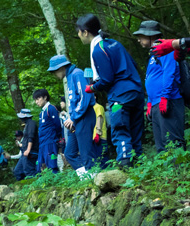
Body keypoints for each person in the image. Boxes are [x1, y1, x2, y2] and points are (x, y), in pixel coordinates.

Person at [77, 14, 144, 167]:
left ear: (85, 32)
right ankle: (140, 168)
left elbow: (107, 79)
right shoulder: (114, 43)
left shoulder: (98, 50)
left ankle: (125, 169)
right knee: (136, 133)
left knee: (120, 131)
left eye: (79, 32)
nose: (79, 35)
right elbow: (132, 64)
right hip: (136, 93)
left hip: (120, 98)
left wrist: (92, 88)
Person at [134, 21, 186, 152]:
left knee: (173, 143)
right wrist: (150, 103)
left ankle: (179, 172)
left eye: (141, 36)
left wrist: (164, 97)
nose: (139, 39)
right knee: (162, 146)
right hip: (157, 103)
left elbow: (170, 72)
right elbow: (152, 77)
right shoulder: (153, 54)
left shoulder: (165, 48)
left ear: (150, 35)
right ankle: (168, 173)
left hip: (169, 101)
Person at [48, 55, 99, 175]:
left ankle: (95, 178)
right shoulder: (70, 77)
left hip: (85, 116)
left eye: (54, 71)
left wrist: (73, 117)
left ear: (60, 68)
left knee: (85, 151)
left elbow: (84, 97)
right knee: (69, 153)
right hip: (77, 119)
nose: (54, 75)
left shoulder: (77, 74)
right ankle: (86, 177)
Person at [33, 89, 63, 174]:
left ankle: (57, 184)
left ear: (45, 97)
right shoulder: (41, 112)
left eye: (38, 99)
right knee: (40, 165)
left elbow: (57, 125)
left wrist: (55, 138)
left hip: (50, 141)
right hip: (42, 142)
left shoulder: (51, 109)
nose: (36, 102)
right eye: (35, 100)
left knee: (52, 164)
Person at [13, 109, 39, 180]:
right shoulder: (27, 125)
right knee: (17, 171)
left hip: (30, 152)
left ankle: (36, 188)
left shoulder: (31, 123)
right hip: (24, 152)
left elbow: (31, 137)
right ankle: (23, 188)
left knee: (29, 172)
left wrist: (28, 150)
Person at [93, 102, 109, 168]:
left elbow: (99, 118)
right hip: (94, 137)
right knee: (98, 158)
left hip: (100, 137)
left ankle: (107, 173)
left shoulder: (98, 107)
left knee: (103, 158)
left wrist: (98, 132)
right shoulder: (91, 108)